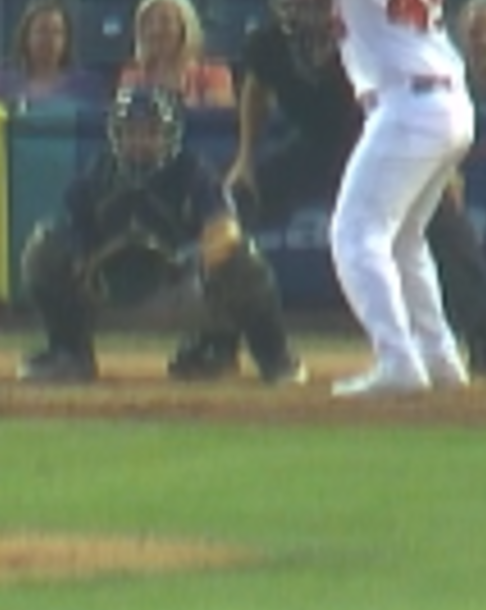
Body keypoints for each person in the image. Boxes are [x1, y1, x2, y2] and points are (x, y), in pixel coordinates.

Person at [233, 0, 486, 377]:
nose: (305, 7)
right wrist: (244, 157)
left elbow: (412, 68)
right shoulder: (273, 38)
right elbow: (255, 89)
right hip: (323, 143)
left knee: (400, 230)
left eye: (316, 0)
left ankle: (473, 337)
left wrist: (442, 168)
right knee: (235, 209)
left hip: (383, 132)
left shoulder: (367, 7)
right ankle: (227, 338)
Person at [279, 0, 478, 397]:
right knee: (406, 238)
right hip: (448, 102)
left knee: (354, 234)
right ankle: (440, 359)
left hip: (408, 107)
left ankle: (398, 361)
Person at [18, 83, 304, 387]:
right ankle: (69, 352)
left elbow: (225, 231)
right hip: (109, 290)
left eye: (150, 132)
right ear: (117, 135)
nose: (140, 142)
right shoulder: (97, 174)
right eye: (132, 132)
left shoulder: (194, 172)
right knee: (42, 247)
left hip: (181, 289)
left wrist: (186, 257)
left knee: (242, 257)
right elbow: (65, 230)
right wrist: (92, 259)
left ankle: (263, 355)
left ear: (168, 135)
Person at [121, 0, 238, 109]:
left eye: (165, 21)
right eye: (147, 22)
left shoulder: (214, 73)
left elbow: (217, 122)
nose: (155, 30)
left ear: (184, 27)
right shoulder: (132, 75)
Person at [0, 0, 107, 111]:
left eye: (57, 32)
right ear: (26, 36)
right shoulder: (1, 84)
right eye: (42, 31)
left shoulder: (88, 86)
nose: (49, 39)